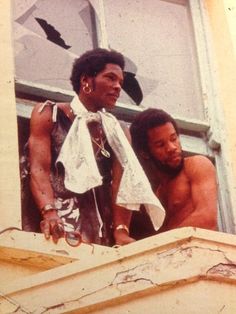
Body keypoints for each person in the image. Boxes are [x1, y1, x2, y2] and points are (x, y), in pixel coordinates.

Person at [27, 48, 165, 247]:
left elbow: (122, 183)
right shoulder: (49, 114)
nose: (118, 87)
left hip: (100, 236)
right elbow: (38, 168)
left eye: (120, 82)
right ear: (86, 81)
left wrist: (121, 231)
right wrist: (49, 213)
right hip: (54, 230)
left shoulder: (117, 130)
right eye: (110, 78)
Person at [130, 108, 218, 234]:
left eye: (173, 138)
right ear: (145, 153)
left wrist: (161, 244)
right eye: (160, 145)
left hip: (204, 251)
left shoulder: (196, 165)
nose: (172, 147)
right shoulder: (156, 198)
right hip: (177, 252)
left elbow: (207, 219)